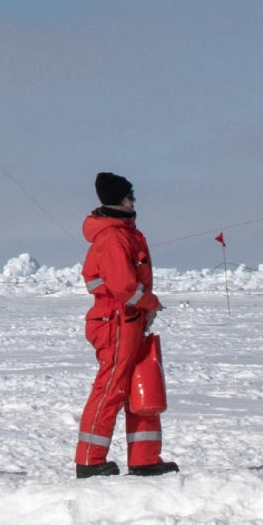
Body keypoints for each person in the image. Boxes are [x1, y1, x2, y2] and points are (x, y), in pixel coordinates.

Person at [75, 172, 176, 477]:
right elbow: (124, 287)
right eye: (130, 196)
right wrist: (150, 303)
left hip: (129, 321)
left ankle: (145, 458)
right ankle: (90, 461)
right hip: (116, 321)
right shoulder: (114, 237)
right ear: (120, 201)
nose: (134, 201)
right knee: (112, 388)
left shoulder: (125, 233)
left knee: (140, 385)